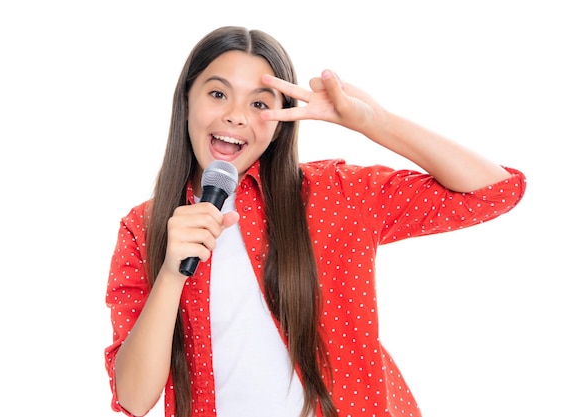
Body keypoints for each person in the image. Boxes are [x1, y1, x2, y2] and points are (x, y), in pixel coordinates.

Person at [104, 26, 526, 417]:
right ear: (186, 102)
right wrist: (172, 274)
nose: (236, 116)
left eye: (258, 104)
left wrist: (373, 122)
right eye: (218, 94)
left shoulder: (334, 194)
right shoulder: (144, 227)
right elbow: (134, 399)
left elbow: (495, 192)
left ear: (279, 121)